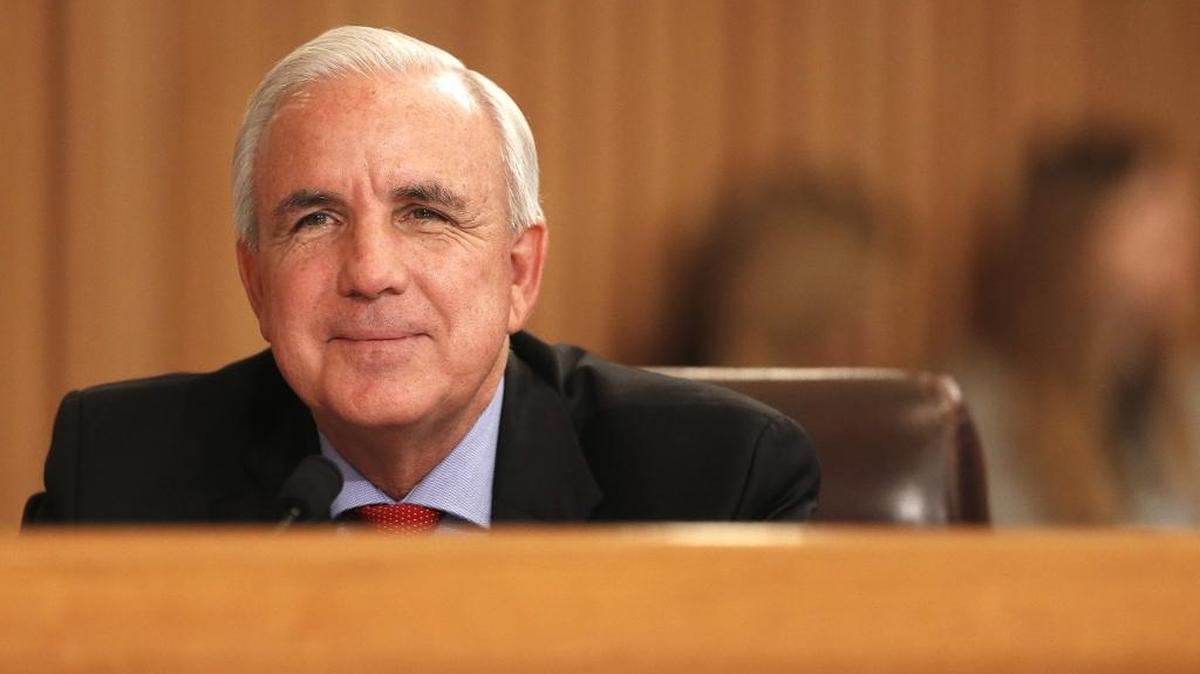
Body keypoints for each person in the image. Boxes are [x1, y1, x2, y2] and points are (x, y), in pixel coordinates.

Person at [22, 26, 819, 529]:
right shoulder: (121, 479)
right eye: (315, 221)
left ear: (519, 271)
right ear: (256, 283)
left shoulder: (719, 480)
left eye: (425, 215)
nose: (370, 272)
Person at [957, 126, 1200, 525]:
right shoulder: (987, 404)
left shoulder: (1183, 393)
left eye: (1185, 230)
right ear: (1075, 238)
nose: (1185, 252)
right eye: (1162, 235)